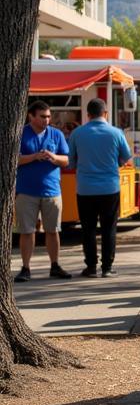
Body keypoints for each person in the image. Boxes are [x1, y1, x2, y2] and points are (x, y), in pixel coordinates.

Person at [67, 97, 133, 278]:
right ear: (105, 113)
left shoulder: (77, 134)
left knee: (88, 229)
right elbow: (126, 159)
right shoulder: (116, 133)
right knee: (108, 228)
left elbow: (71, 163)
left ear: (88, 115)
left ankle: (90, 267)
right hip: (109, 189)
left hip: (85, 189)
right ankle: (107, 267)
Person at [15, 100, 73, 281]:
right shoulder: (20, 133)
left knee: (53, 230)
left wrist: (54, 157)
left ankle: (55, 265)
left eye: (48, 116)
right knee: (27, 231)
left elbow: (66, 160)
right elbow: (13, 160)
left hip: (52, 190)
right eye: (42, 117)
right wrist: (34, 157)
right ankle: (25, 268)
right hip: (26, 191)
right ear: (31, 116)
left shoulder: (56, 134)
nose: (46, 120)